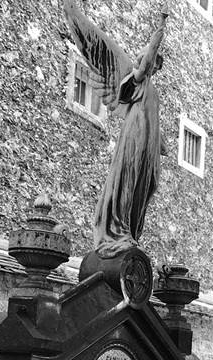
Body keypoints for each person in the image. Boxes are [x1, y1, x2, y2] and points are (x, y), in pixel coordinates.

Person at [63, 1, 168, 259]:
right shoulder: (137, 79)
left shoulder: (152, 90)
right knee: (129, 177)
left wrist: (160, 143)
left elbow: (154, 118)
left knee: (147, 184)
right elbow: (148, 58)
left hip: (148, 140)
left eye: (155, 64)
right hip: (136, 134)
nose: (152, 64)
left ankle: (131, 230)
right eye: (150, 60)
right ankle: (118, 229)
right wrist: (161, 26)